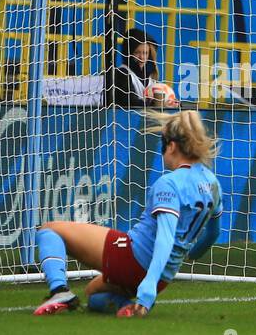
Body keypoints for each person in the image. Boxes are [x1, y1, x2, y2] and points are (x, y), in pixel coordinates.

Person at [32, 111, 222, 318]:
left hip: (135, 259)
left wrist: (148, 287)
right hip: (164, 276)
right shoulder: (212, 183)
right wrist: (190, 254)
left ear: (172, 146)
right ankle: (124, 306)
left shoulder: (170, 183)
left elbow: (165, 238)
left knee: (50, 230)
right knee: (92, 293)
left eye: (163, 143)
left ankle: (59, 291)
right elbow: (212, 234)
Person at [107, 27, 161, 107]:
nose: (142, 57)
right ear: (129, 52)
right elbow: (130, 102)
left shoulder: (150, 75)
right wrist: (154, 103)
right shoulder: (122, 73)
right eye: (137, 53)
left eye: (145, 53)